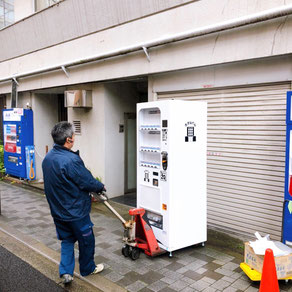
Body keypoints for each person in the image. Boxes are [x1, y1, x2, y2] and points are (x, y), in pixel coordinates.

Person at [42, 121, 105, 284]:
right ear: (69, 140)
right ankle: (88, 268)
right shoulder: (71, 160)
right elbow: (86, 181)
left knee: (68, 240)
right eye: (74, 136)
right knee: (87, 240)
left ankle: (66, 272)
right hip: (75, 211)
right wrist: (100, 186)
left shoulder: (48, 158)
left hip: (58, 211)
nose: (75, 138)